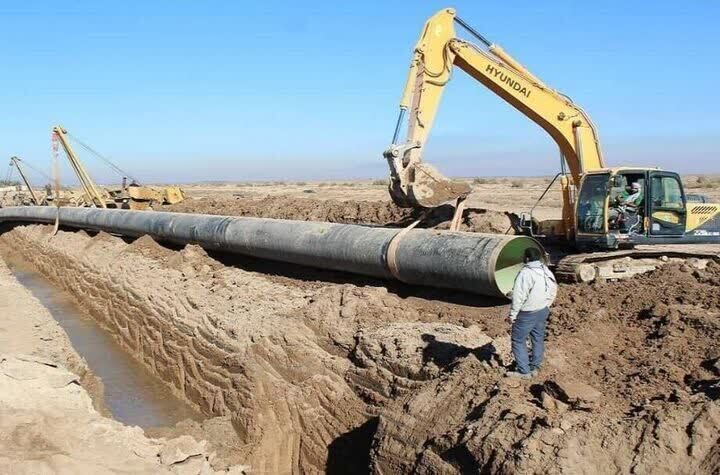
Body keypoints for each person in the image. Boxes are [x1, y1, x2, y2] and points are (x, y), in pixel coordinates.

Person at [506, 247, 557, 379]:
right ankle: (536, 365)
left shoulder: (525, 273)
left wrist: (513, 315)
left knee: (518, 340)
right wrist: (547, 304)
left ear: (527, 258)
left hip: (528, 313)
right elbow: (553, 288)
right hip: (542, 310)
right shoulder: (546, 270)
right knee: (537, 338)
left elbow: (518, 296)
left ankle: (524, 371)